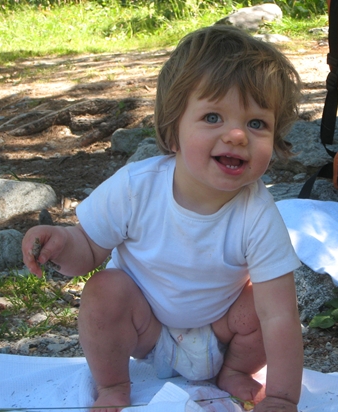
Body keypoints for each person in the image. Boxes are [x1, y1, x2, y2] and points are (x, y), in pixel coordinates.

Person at [22, 25, 304, 412]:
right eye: (212, 117)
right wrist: (59, 242)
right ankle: (114, 385)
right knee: (103, 290)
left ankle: (235, 372)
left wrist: (283, 398)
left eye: (257, 123)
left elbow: (280, 316)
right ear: (173, 132)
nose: (237, 135)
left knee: (264, 302)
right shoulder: (137, 188)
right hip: (145, 329)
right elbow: (87, 249)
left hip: (222, 335)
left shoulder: (257, 214)